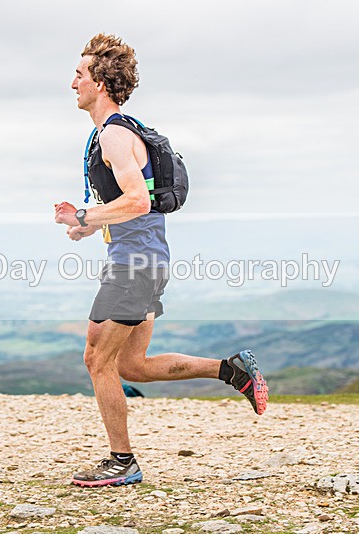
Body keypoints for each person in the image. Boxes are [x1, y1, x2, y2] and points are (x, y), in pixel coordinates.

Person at [54, 33, 268, 488]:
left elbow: (136, 201)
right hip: (142, 259)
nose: (72, 82)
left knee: (96, 359)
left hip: (135, 265)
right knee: (131, 365)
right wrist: (85, 224)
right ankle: (231, 369)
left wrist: (89, 213)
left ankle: (122, 460)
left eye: (79, 74)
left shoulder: (114, 134)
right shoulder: (110, 133)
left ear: (101, 82)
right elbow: (131, 204)